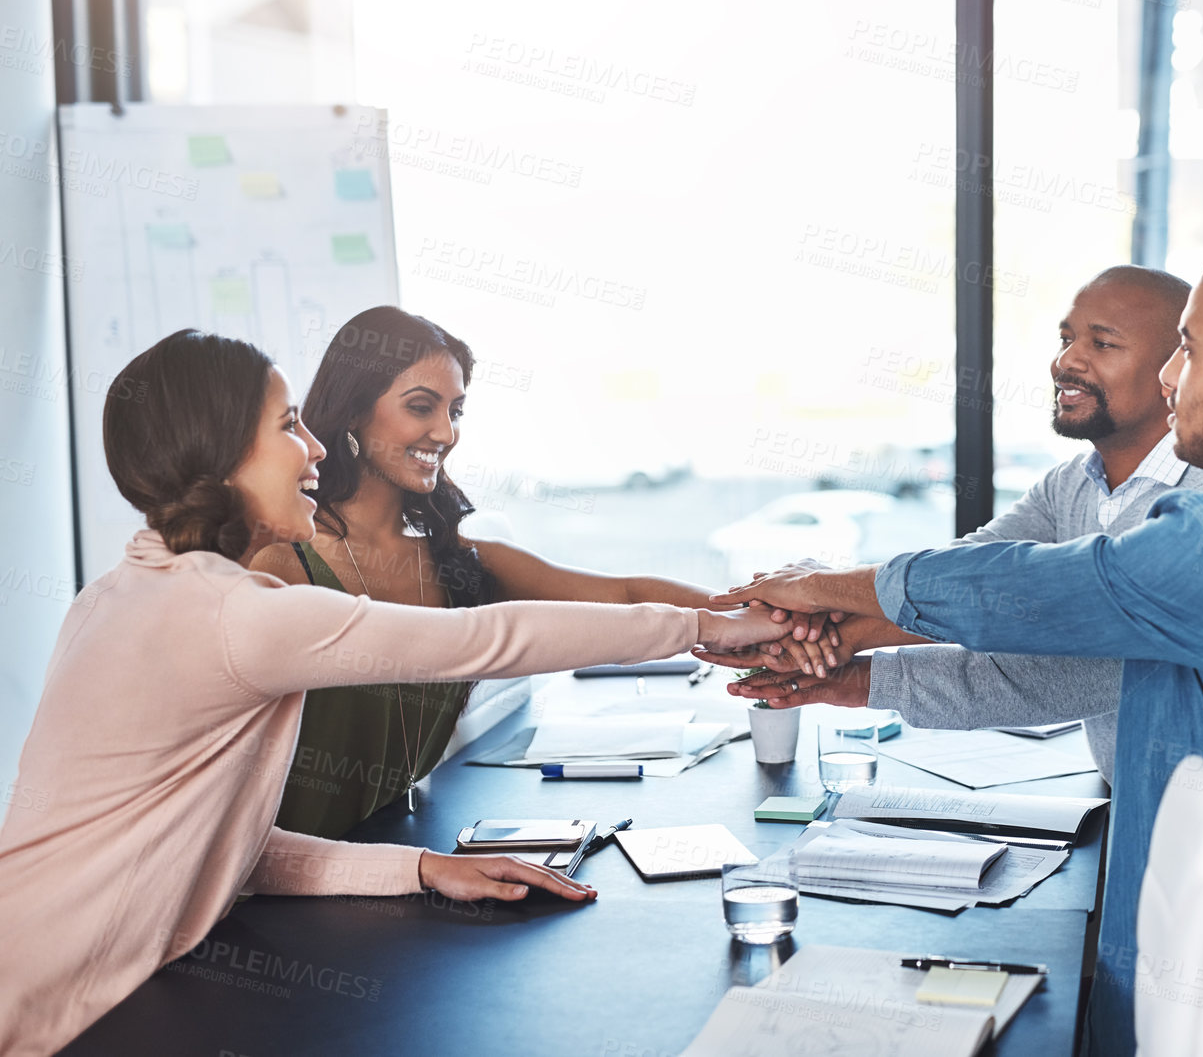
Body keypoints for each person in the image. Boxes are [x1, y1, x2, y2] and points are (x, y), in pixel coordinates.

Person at [714, 240, 1203, 1057]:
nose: (1173, 377)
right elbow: (1006, 582)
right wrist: (842, 656)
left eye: (1190, 349)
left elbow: (1038, 590)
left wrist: (821, 590)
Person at [0, 330, 787, 1056]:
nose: (312, 447)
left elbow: (217, 846)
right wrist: (704, 627)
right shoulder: (232, 614)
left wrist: (415, 867)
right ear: (221, 451)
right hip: (53, 1011)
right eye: (286, 426)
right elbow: (485, 642)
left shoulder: (120, 594)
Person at [711, 266, 1203, 784]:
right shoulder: (1071, 483)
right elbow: (968, 583)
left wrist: (840, 640)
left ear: (1177, 367)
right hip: (1132, 797)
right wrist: (833, 639)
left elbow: (1096, 668)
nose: (1067, 362)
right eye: (1067, 338)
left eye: (1103, 343)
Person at [250, 307, 723, 837]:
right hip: (278, 884)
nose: (444, 432)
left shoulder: (458, 556)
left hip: (404, 852)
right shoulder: (282, 564)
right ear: (356, 410)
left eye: (455, 410)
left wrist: (764, 619)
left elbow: (624, 593)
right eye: (421, 407)